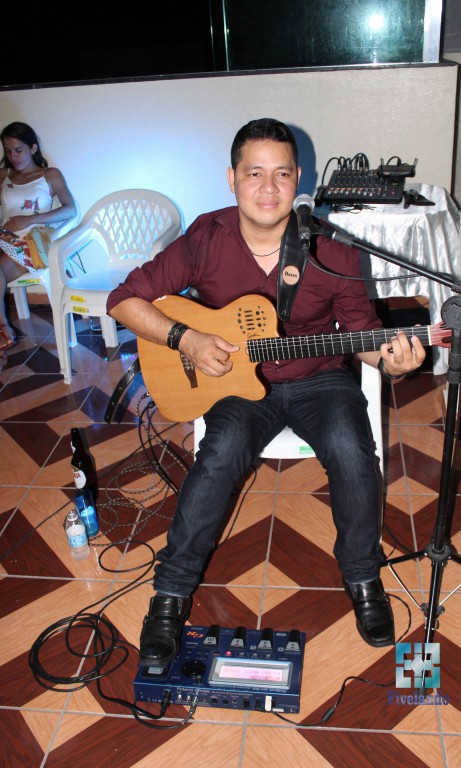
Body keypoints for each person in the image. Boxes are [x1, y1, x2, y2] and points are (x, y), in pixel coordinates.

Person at [107, 118, 425, 665]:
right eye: (254, 173)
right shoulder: (206, 237)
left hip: (320, 379)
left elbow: (363, 336)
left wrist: (394, 362)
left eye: (282, 173)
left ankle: (363, 576)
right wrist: (186, 339)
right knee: (218, 455)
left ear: (298, 179)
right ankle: (171, 592)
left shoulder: (333, 249)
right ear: (232, 178)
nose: (269, 187)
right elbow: (122, 301)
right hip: (235, 384)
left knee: (353, 451)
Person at [0, 122, 76, 365]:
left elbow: (71, 209)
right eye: (8, 151)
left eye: (18, 150)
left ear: (33, 148)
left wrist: (31, 219)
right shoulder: (3, 176)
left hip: (31, 242)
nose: (13, 156)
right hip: (4, 236)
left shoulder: (49, 175)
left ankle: (2, 330)